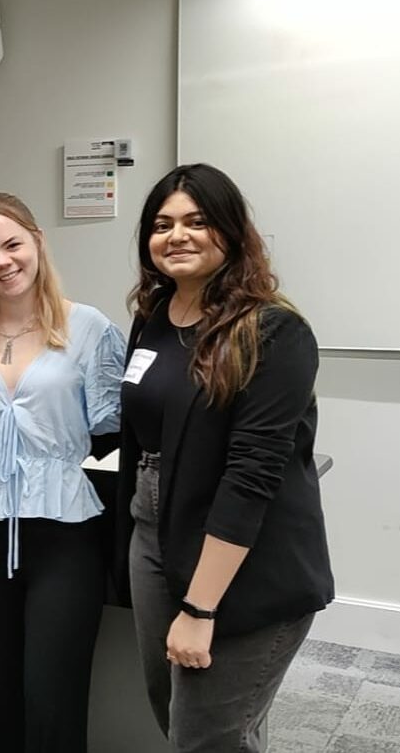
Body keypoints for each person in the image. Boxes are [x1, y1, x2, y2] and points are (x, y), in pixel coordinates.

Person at [117, 163, 334, 752]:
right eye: (162, 225)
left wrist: (199, 606)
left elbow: (251, 476)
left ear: (232, 233)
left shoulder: (273, 331)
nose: (177, 236)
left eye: (197, 221)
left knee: (206, 737)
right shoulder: (154, 318)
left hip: (243, 555)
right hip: (155, 536)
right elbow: (141, 432)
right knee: (176, 715)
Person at [0, 192, 125, 752]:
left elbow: (116, 431)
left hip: (63, 532)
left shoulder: (88, 328)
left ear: (38, 242)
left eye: (12, 245)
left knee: (52, 695)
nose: (2, 262)